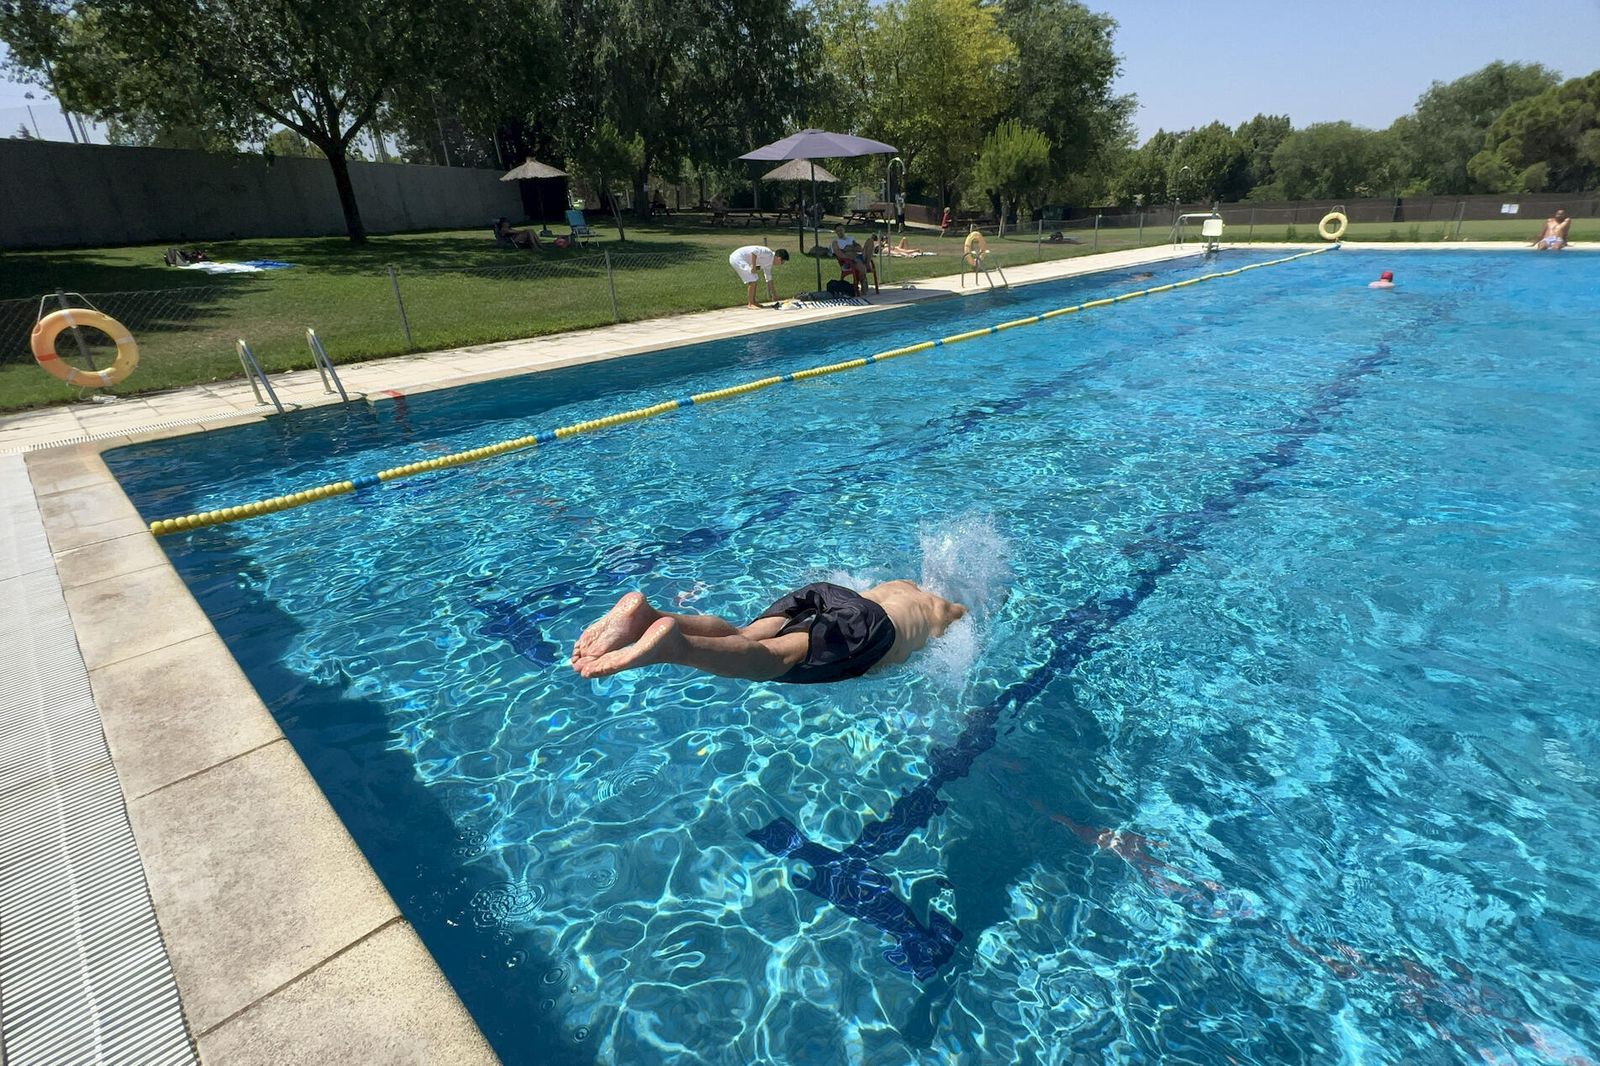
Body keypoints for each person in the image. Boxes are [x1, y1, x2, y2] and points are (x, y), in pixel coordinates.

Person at [571, 581, 967, 683]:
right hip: (870, 629)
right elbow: (957, 626)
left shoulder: (900, 586)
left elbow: (860, 601)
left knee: (745, 634)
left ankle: (647, 617)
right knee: (781, 658)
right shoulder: (942, 613)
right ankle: (677, 647)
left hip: (827, 594)